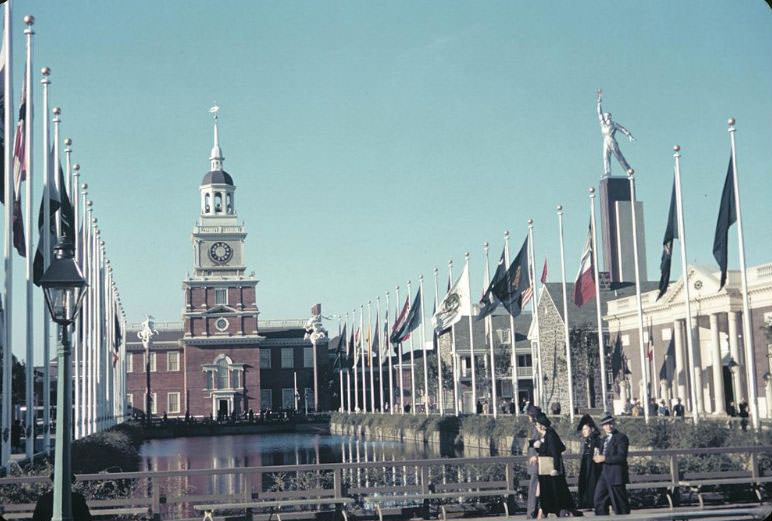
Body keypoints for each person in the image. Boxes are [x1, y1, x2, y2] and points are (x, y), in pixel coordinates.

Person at [533, 413, 574, 517]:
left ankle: (556, 511)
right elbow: (545, 451)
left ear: (542, 426)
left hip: (551, 471)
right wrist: (538, 447)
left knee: (556, 492)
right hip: (545, 470)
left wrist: (555, 468)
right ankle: (548, 511)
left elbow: (555, 452)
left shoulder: (550, 435)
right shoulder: (546, 435)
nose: (536, 427)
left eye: (537, 425)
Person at [593, 415, 630, 516]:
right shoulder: (603, 439)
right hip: (604, 474)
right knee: (598, 500)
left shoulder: (621, 437)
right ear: (602, 427)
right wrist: (596, 458)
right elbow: (599, 453)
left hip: (616, 475)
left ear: (614, 424)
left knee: (620, 505)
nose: (608, 426)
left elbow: (621, 457)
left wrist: (604, 458)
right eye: (605, 425)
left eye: (610, 423)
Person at [576, 414, 602, 510]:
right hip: (586, 465)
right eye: (583, 430)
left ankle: (593, 502)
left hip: (594, 466)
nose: (584, 431)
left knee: (592, 482)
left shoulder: (596, 440)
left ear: (591, 429)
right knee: (585, 482)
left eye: (586, 429)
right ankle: (586, 502)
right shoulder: (587, 441)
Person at [525, 405, 542, 519]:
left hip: (536, 463)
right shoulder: (534, 428)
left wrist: (536, 455)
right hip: (533, 462)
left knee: (534, 487)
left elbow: (542, 444)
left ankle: (531, 513)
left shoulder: (539, 429)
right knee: (536, 488)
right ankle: (535, 512)